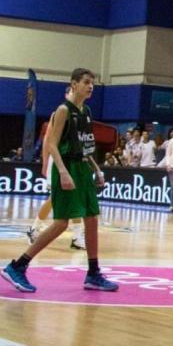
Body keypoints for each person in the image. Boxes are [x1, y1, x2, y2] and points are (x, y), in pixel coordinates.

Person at [3, 68, 118, 293]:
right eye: (86, 82)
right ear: (74, 84)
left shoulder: (86, 111)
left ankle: (93, 273)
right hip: (67, 166)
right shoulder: (63, 110)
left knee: (92, 218)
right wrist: (63, 172)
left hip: (83, 167)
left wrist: (97, 169)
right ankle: (18, 265)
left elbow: (87, 146)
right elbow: (51, 144)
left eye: (92, 83)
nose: (90, 86)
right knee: (61, 223)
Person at [26, 86, 86, 250]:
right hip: (59, 159)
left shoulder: (82, 114)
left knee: (75, 198)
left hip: (74, 160)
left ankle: (77, 237)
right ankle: (34, 228)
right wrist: (46, 162)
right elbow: (48, 140)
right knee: (55, 198)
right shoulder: (60, 112)